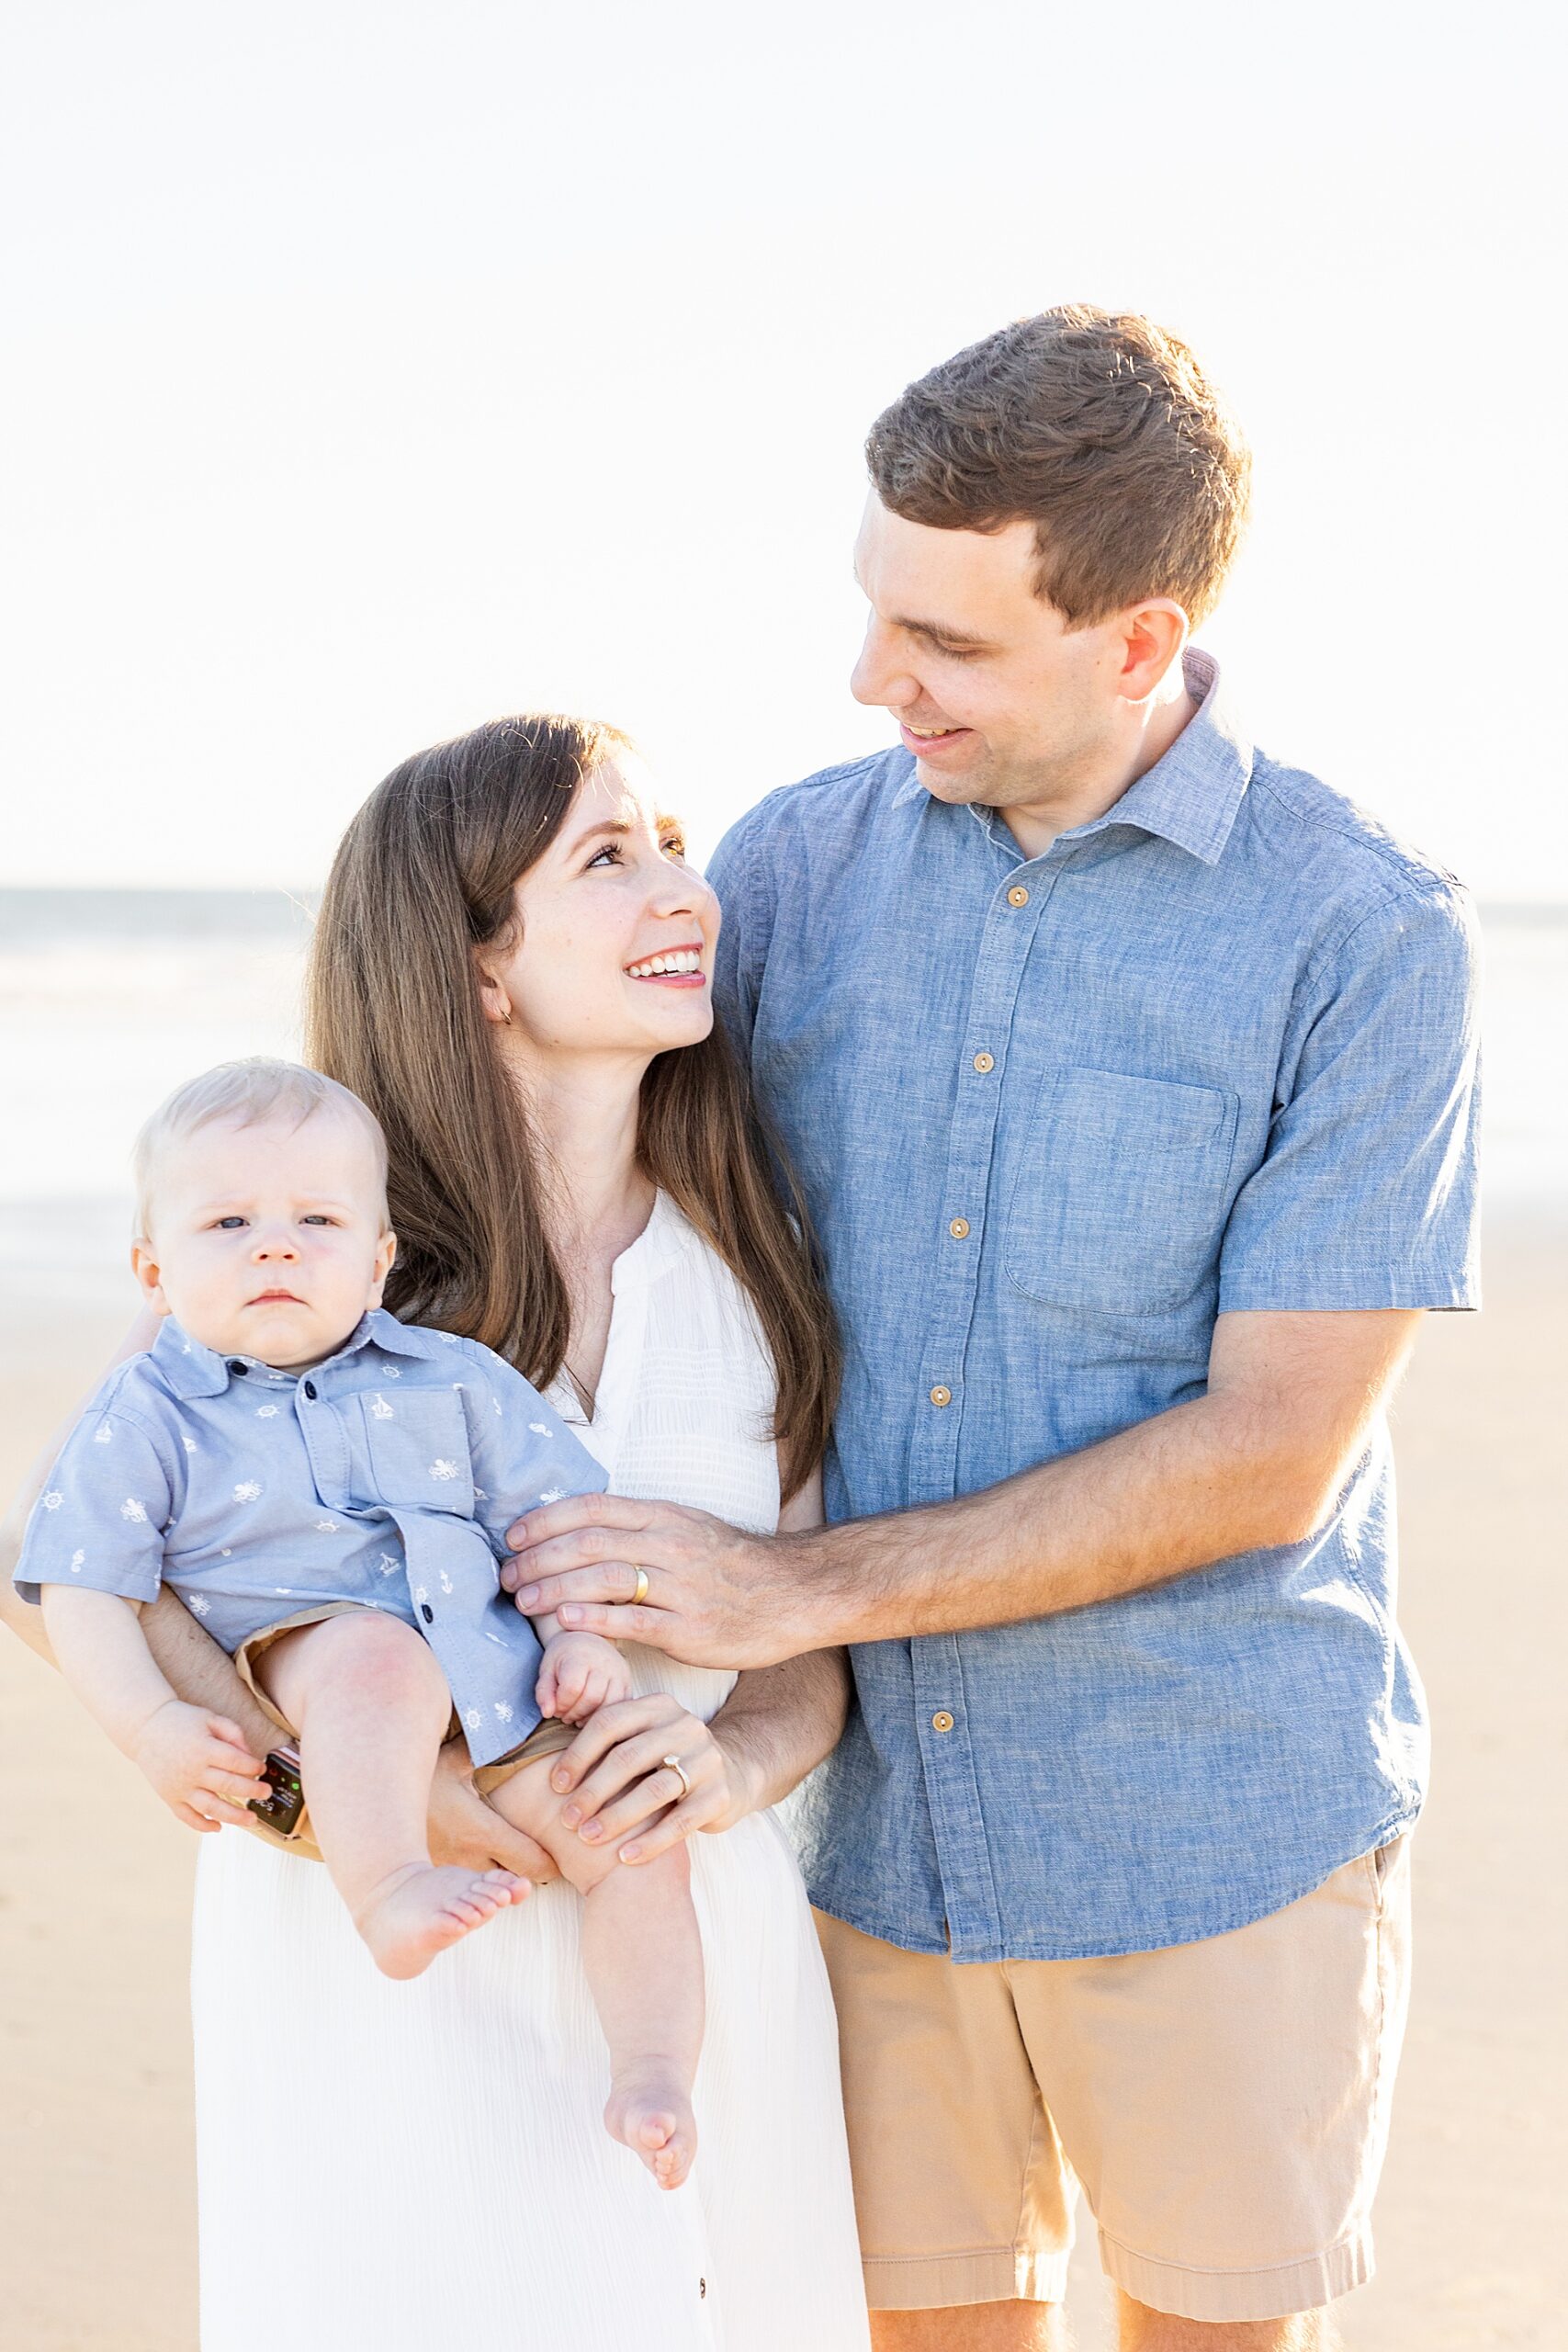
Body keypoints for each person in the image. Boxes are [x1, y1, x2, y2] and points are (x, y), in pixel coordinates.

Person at [502, 309, 1483, 2352]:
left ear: (1135, 640)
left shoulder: (1360, 933)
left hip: (1207, 1816)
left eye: (943, 641)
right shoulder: (786, 864)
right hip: (860, 1831)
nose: (875, 679)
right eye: (875, 610)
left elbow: (1264, 1451)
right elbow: (564, 1162)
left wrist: (791, 1588)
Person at [1, 716, 871, 2351]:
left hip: (689, 1968)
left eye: (670, 841)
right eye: (608, 858)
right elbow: (57, 1569)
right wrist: (413, 1806)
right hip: (384, 1981)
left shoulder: (752, 1259)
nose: (683, 887)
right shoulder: (312, 1250)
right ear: (475, 967)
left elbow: (800, 1658)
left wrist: (729, 1768)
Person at [15, 1054, 718, 2185]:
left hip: (501, 1689)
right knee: (376, 1657)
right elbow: (77, 1578)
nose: (276, 1245)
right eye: (229, 1220)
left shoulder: (453, 1377)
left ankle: (653, 2069)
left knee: (632, 1834)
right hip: (322, 1655)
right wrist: (149, 1726)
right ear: (153, 1266)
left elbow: (558, 1517)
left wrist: (583, 1636)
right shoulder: (148, 1409)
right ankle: (386, 1886)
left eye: (318, 1218)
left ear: (380, 1258)